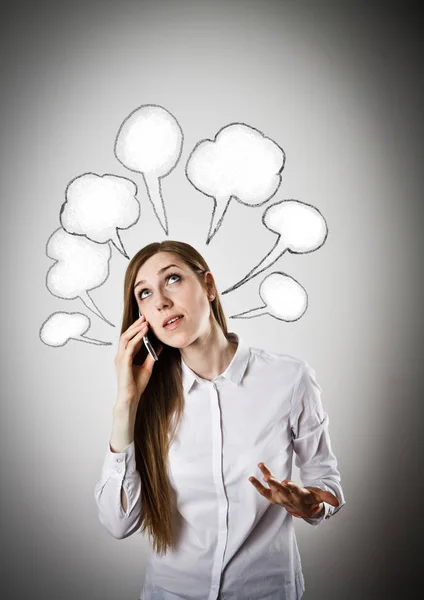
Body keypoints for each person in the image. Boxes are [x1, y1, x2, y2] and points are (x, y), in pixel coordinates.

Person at [94, 240, 346, 600]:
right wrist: (126, 402)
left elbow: (328, 486)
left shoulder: (290, 379)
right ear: (142, 317)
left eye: (173, 279)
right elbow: (119, 524)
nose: (161, 300)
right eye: (145, 293)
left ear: (209, 287)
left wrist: (310, 503)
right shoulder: (146, 397)